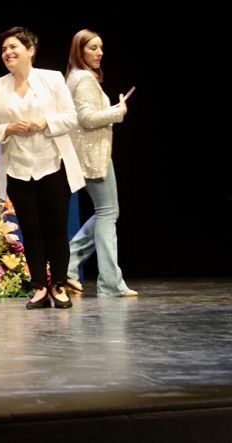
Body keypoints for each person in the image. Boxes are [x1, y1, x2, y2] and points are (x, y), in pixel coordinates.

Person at [0, 27, 84, 310]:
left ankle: (59, 285)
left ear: (30, 50)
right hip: (17, 167)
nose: (8, 53)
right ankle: (38, 286)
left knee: (56, 228)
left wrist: (44, 123)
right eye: (4, 50)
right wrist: (9, 128)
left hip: (52, 164)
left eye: (14, 47)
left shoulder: (51, 79)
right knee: (31, 228)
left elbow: (71, 118)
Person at [64, 29, 137, 297]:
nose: (99, 53)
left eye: (101, 47)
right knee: (108, 213)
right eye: (93, 48)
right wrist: (117, 112)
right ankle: (109, 282)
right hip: (93, 156)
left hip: (94, 154)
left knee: (107, 212)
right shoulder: (83, 80)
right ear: (79, 51)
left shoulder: (79, 77)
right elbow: (87, 118)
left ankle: (69, 265)